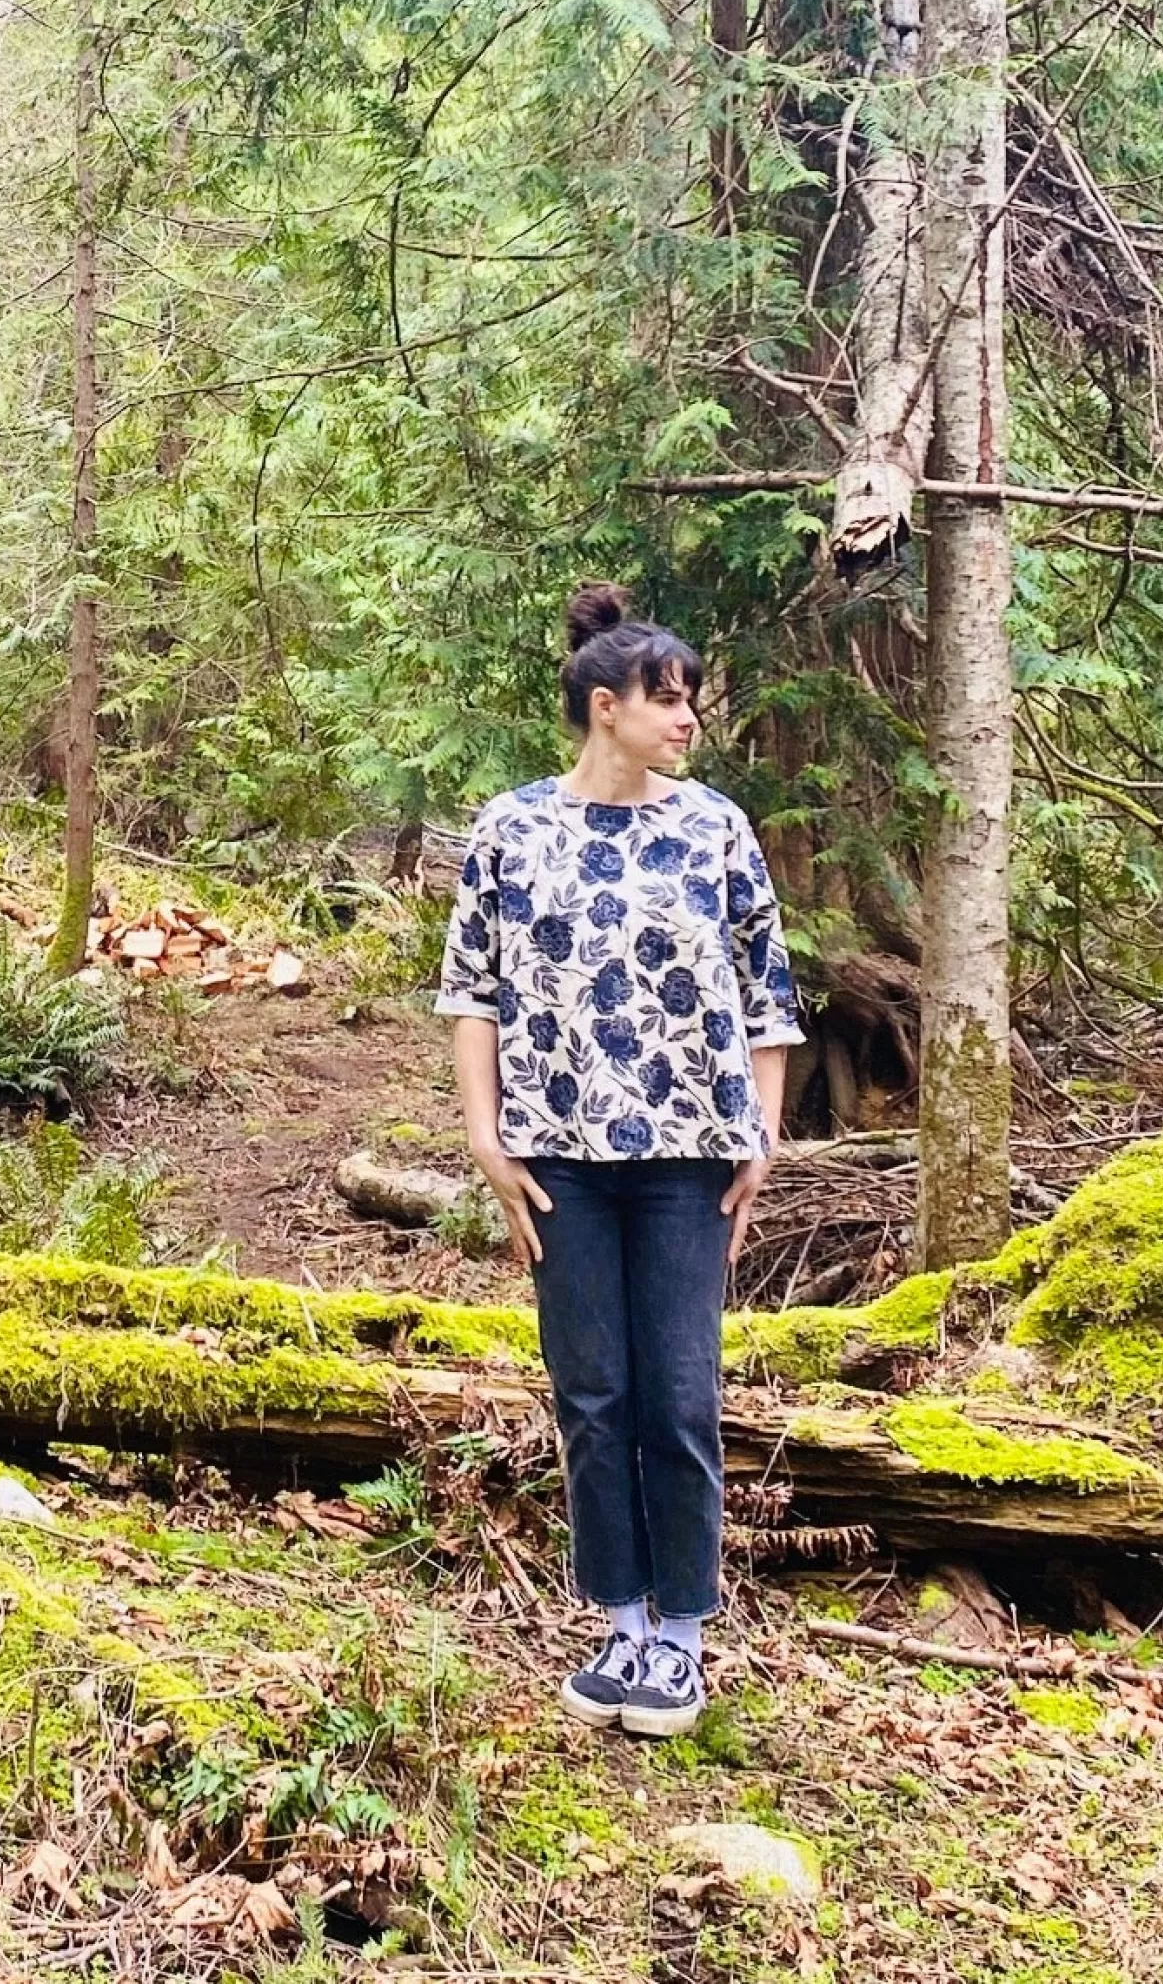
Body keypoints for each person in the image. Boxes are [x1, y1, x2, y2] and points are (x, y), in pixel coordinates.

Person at [436, 582, 802, 1738]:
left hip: (690, 1155)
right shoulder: (510, 829)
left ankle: (683, 1637)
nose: (686, 717)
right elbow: (471, 992)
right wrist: (484, 1136)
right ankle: (621, 1623)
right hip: (560, 1160)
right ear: (606, 708)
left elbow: (766, 989)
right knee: (592, 1393)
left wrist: (762, 1130)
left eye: (687, 698)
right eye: (667, 697)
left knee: (682, 1393)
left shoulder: (715, 828)